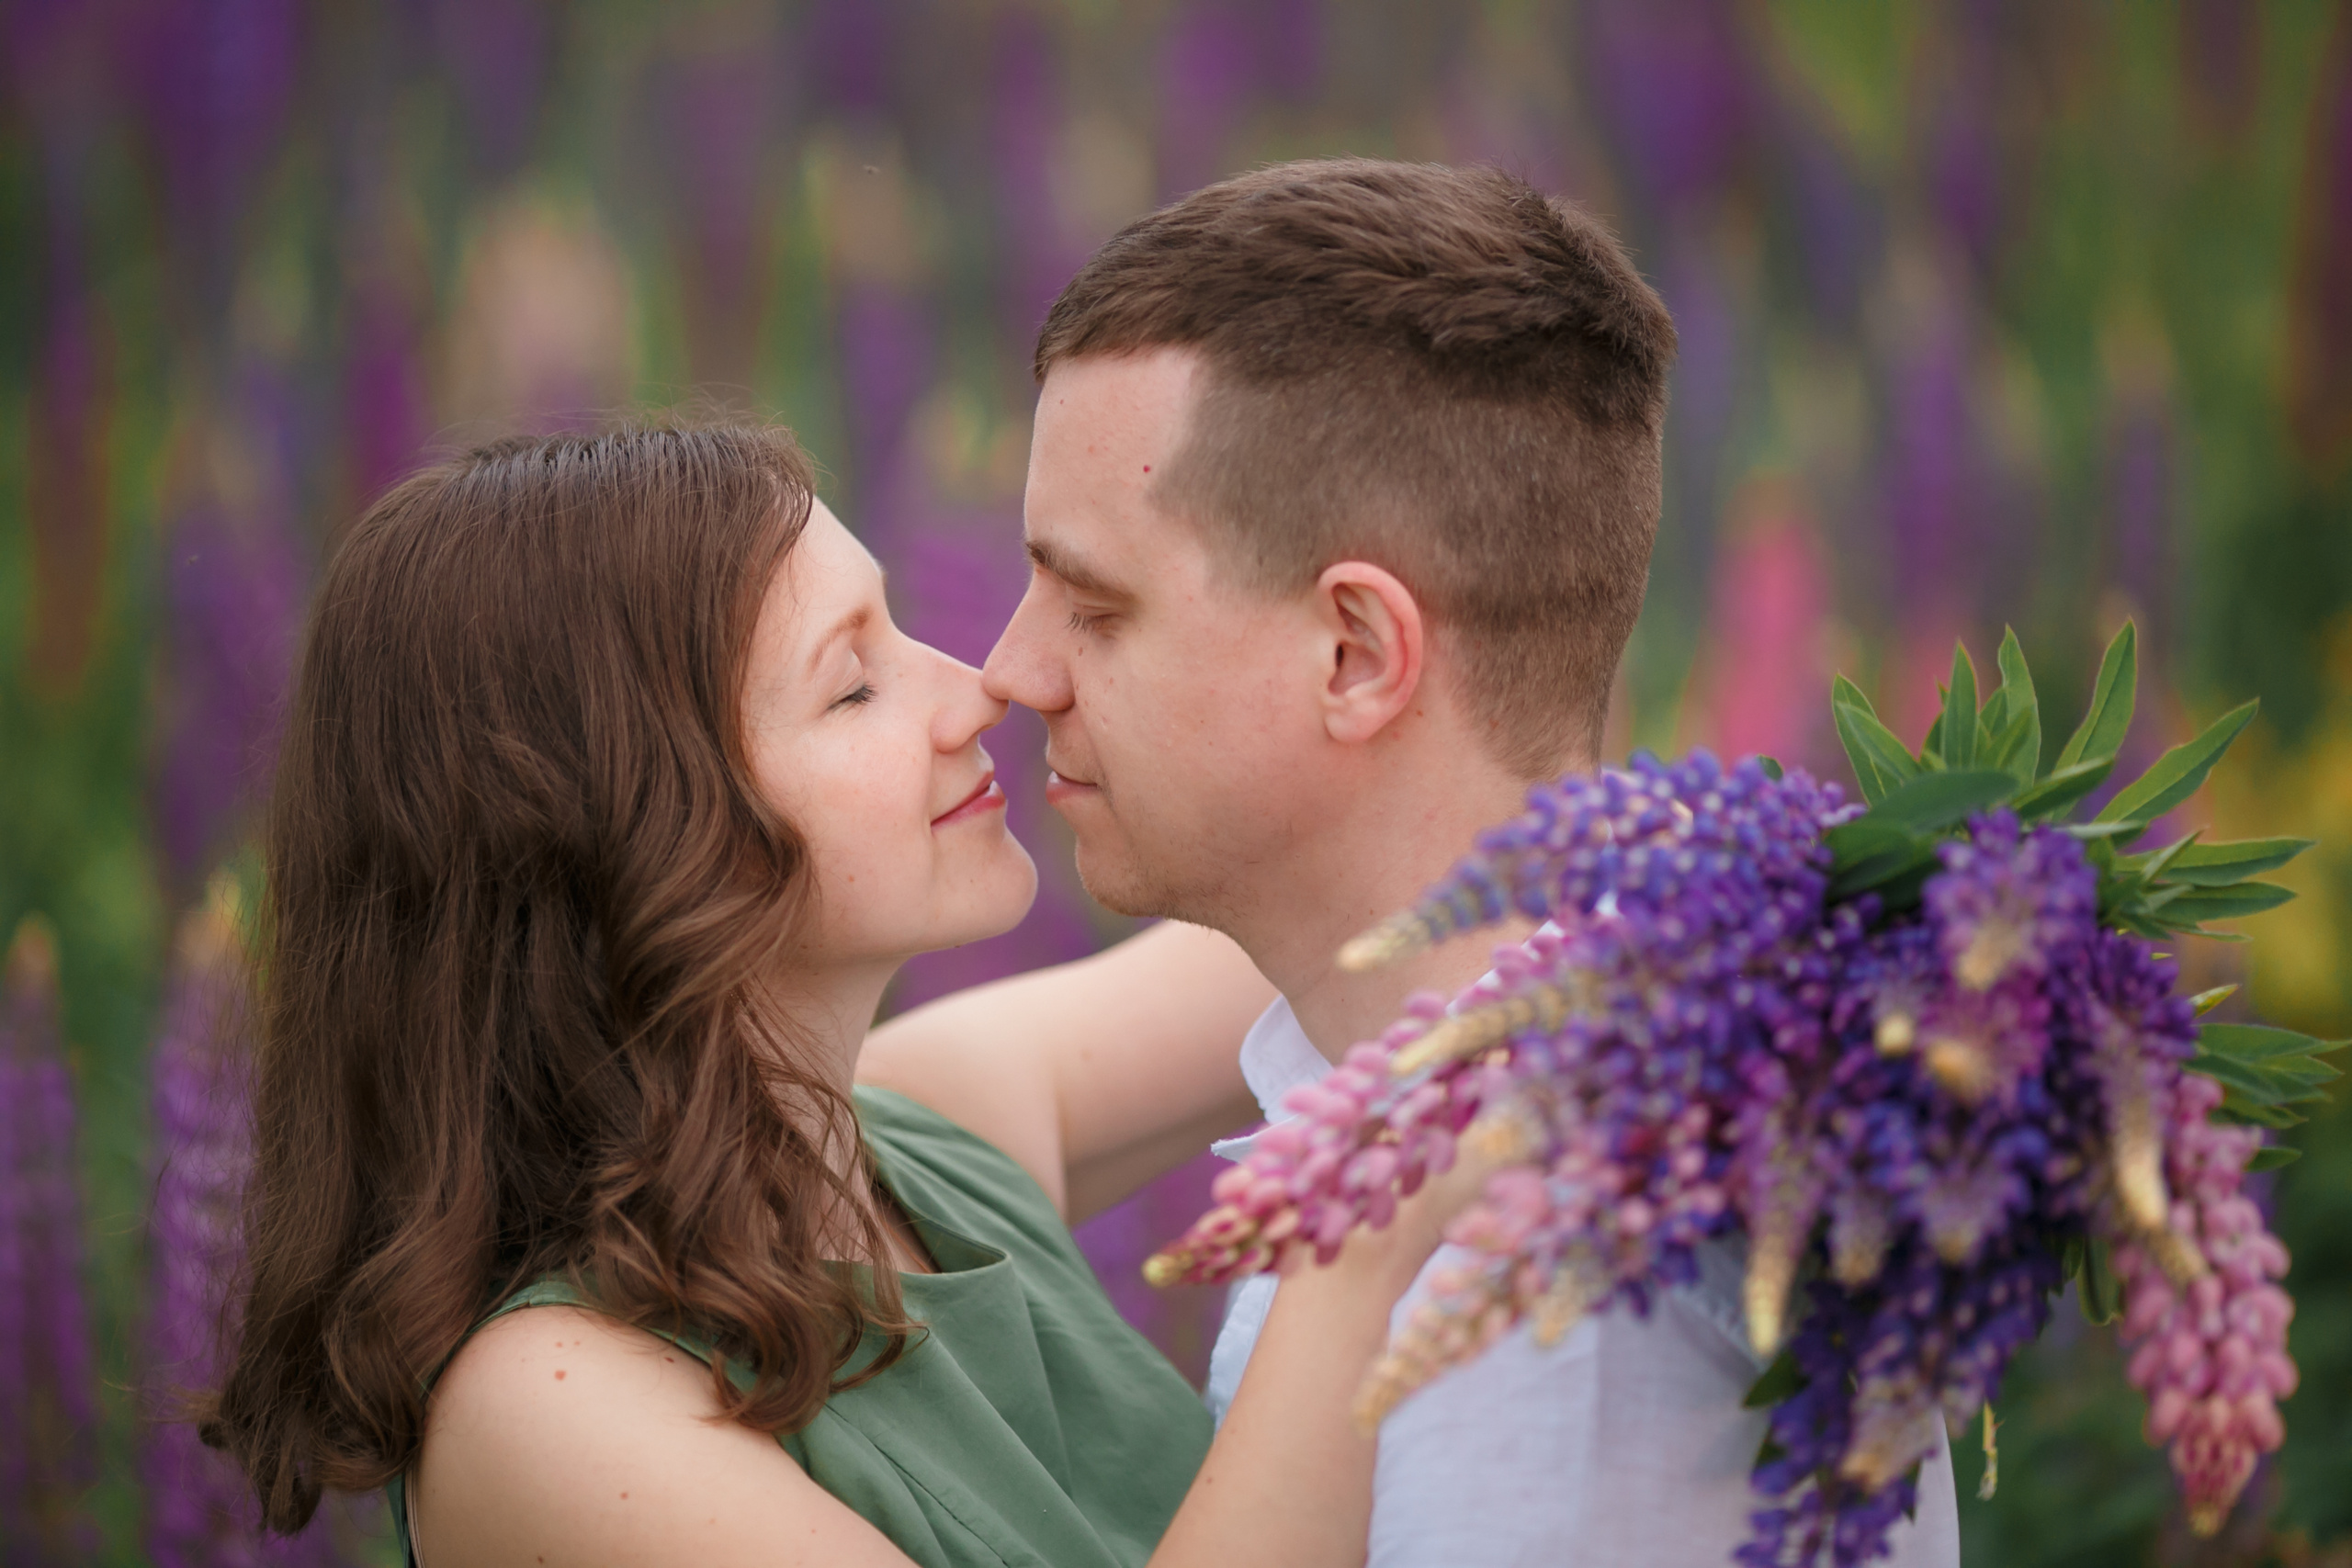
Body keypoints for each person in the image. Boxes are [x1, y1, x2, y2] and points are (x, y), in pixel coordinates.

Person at [863, 159, 1963, 1567]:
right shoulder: (1558, 1041)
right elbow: (921, 1106)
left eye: (1096, 605)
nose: (1012, 673)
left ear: (1356, 654)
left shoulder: (1535, 1308)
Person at [204, 423, 1482, 1568]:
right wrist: (1360, 1236)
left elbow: (1399, 899)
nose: (978, 691)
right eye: (854, 683)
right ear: (646, 840)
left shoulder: (923, 1136)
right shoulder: (551, 1410)